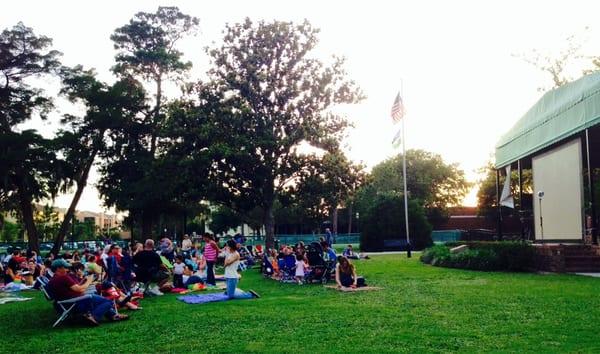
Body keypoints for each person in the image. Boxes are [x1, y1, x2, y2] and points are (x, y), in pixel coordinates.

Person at [47, 259, 128, 325]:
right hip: (76, 303)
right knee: (108, 301)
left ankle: (113, 315)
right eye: (65, 267)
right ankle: (92, 316)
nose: (67, 269)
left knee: (100, 299)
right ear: (58, 268)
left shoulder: (53, 279)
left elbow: (73, 288)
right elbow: (80, 289)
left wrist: (84, 281)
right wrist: (89, 281)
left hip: (66, 303)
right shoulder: (63, 277)